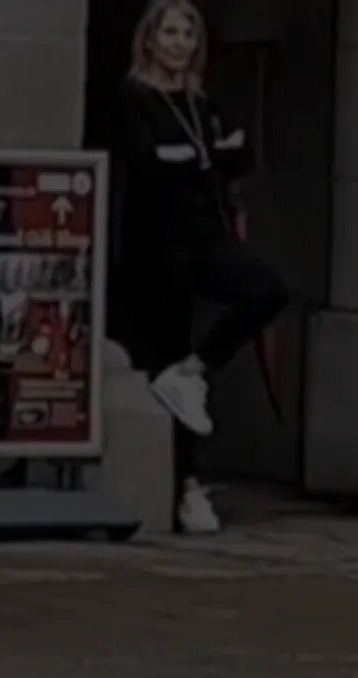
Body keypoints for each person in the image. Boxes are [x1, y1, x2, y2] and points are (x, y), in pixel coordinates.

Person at [110, 0, 288, 533]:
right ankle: (186, 486)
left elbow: (241, 151)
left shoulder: (199, 102)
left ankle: (197, 371)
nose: (180, 41)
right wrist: (201, 155)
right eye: (171, 30)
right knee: (166, 362)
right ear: (151, 38)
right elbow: (145, 163)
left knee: (266, 291)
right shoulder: (135, 99)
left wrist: (194, 156)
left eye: (189, 32)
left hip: (207, 239)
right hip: (157, 250)